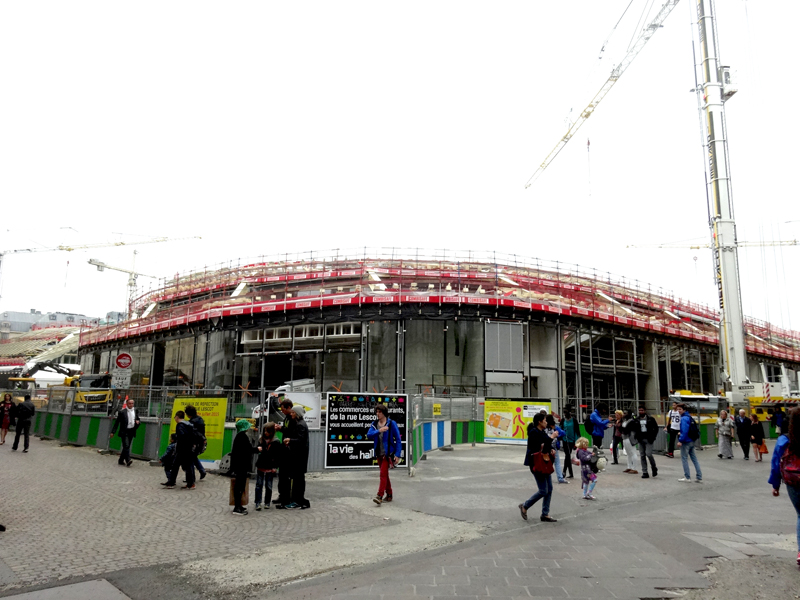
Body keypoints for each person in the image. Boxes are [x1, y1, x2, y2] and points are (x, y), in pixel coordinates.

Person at [768, 407, 800, 567]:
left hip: (792, 480)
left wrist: (776, 485)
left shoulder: (784, 440)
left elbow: (775, 464)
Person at [518, 412, 558, 523]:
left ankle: (545, 514)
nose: (546, 422)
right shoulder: (533, 433)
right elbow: (539, 447)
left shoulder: (542, 432)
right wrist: (551, 438)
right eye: (544, 420)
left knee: (549, 489)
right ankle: (525, 506)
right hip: (537, 464)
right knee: (543, 490)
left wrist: (551, 449)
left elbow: (546, 446)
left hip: (544, 463)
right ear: (539, 422)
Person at [367, 403, 403, 504]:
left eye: (379, 412)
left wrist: (397, 454)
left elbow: (398, 440)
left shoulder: (391, 423)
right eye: (377, 412)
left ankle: (379, 495)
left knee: (383, 474)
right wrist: (379, 431)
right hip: (379, 452)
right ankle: (390, 494)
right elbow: (369, 435)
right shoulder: (375, 424)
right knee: (385, 475)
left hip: (388, 454)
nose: (377, 414)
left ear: (384, 413)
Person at [282, 405, 310, 509]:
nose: (291, 414)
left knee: (298, 479)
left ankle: (297, 501)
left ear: (297, 414)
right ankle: (298, 500)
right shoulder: (300, 423)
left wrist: (290, 440)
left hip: (299, 457)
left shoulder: (300, 425)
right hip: (300, 457)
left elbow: (300, 440)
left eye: (293, 412)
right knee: (298, 479)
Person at [230, 419, 258, 515]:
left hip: (239, 465)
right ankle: (237, 507)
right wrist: (257, 449)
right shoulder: (242, 437)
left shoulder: (239, 436)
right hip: (241, 465)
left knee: (240, 485)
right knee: (239, 486)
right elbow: (247, 450)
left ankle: (239, 505)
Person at [164, 411, 196, 490]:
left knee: (176, 466)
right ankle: (190, 483)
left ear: (177, 417)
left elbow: (181, 437)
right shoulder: (189, 424)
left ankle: (172, 482)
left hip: (182, 449)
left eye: (175, 417)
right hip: (189, 448)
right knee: (186, 466)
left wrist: (178, 444)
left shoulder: (180, 425)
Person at [254, 423, 281, 510]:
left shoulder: (276, 442)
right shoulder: (261, 440)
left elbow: (277, 456)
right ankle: (258, 502)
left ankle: (267, 502)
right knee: (259, 485)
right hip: (261, 465)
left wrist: (275, 467)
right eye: (264, 431)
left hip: (270, 467)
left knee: (268, 486)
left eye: (267, 431)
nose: (265, 433)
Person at [274, 399, 294, 507]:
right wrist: (280, 428)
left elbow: (290, 432)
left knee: (286, 476)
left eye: (283, 409)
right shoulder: (286, 417)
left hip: (289, 451)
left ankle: (286, 498)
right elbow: (286, 429)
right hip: (284, 448)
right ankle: (281, 495)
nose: (282, 411)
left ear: (288, 408)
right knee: (281, 475)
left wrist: (281, 429)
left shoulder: (293, 418)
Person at [110, 397, 140, 466]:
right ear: (127, 404)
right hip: (124, 431)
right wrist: (113, 432)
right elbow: (117, 423)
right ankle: (128, 460)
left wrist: (138, 422)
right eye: (129, 403)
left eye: (132, 403)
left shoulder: (135, 410)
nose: (131, 405)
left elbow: (138, 419)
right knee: (126, 445)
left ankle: (121, 460)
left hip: (132, 430)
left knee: (127, 446)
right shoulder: (122, 412)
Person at [677, 403, 703, 483]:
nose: (678, 411)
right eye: (677, 409)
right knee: (694, 458)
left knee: (684, 458)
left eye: (680, 409)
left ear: (684, 410)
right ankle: (699, 476)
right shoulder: (689, 417)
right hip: (692, 440)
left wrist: (680, 440)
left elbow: (684, 431)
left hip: (686, 441)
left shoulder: (684, 418)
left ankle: (687, 477)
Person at [633, 405, 659, 479]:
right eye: (639, 410)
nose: (641, 412)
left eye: (642, 410)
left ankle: (653, 467)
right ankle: (645, 472)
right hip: (641, 439)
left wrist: (653, 437)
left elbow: (656, 428)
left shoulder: (650, 419)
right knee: (642, 455)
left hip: (649, 439)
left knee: (649, 454)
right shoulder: (637, 420)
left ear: (645, 411)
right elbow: (634, 428)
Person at [184, 404, 207, 482]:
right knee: (193, 457)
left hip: (194, 442)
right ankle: (201, 470)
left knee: (190, 458)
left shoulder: (192, 422)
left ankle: (191, 478)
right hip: (201, 441)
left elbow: (191, 433)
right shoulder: (200, 419)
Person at [545, 415, 568, 484]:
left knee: (547, 463)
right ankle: (560, 478)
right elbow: (563, 433)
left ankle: (546, 477)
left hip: (547, 447)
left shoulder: (544, 429)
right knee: (557, 463)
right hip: (553, 447)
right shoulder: (555, 427)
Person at [560, 408, 580, 479]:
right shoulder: (563, 420)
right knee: (567, 455)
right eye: (564, 413)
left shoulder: (574, 420)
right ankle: (566, 472)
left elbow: (577, 431)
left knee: (567, 456)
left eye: (566, 413)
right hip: (565, 440)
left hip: (572, 441)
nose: (565, 415)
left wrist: (577, 442)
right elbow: (560, 429)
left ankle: (566, 472)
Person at [620, 408, 639, 474]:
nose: (624, 414)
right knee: (628, 453)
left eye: (625, 413)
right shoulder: (624, 421)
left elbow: (626, 430)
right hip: (624, 438)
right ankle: (629, 467)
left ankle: (634, 468)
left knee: (633, 452)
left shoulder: (632, 421)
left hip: (629, 438)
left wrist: (622, 429)